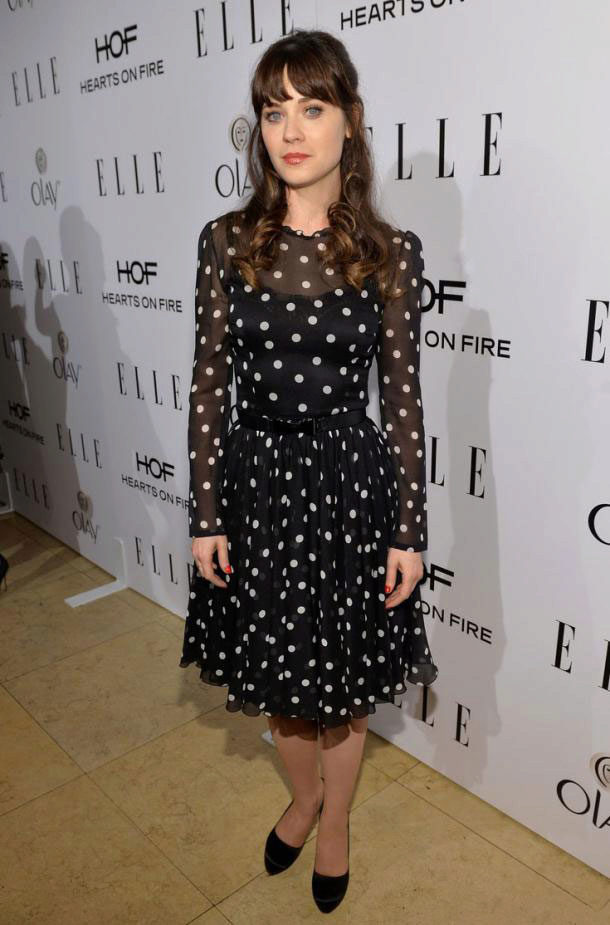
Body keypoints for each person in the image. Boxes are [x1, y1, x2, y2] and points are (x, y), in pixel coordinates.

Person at [179, 28, 438, 912]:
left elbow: (401, 402)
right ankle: (302, 799)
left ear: (350, 121)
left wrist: (409, 531)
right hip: (256, 487)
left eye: (312, 107)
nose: (290, 130)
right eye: (272, 110)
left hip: (348, 489)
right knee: (282, 682)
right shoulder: (226, 241)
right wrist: (205, 514)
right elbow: (207, 388)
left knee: (343, 685)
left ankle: (337, 823)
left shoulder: (389, 253)